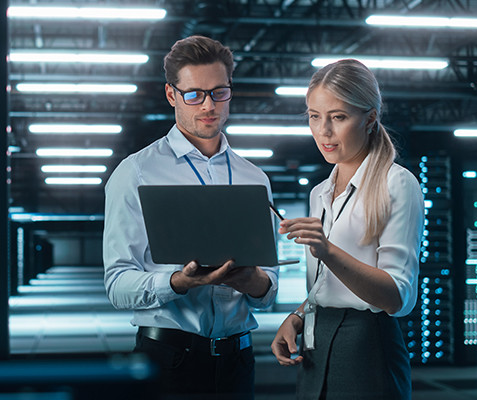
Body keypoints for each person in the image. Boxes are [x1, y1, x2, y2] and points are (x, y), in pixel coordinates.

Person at [103, 35, 279, 399]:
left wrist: (255, 282)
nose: (209, 105)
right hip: (169, 362)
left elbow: (268, 292)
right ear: (172, 95)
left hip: (239, 362)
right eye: (194, 94)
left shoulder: (254, 178)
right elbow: (117, 284)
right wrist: (178, 283)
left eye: (219, 92)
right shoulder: (136, 172)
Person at [270, 59, 424, 400]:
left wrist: (328, 250)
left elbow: (396, 297)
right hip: (316, 340)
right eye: (314, 116)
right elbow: (327, 287)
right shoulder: (320, 193)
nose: (323, 131)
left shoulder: (397, 184)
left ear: (369, 119)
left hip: (367, 347)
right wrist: (298, 315)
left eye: (338, 117)